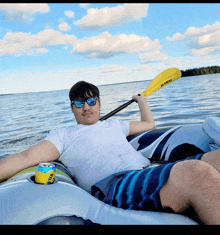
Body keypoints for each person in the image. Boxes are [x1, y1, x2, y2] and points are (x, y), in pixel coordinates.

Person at [1, 81, 220, 225]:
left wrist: (141, 101)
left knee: (216, 158)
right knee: (197, 173)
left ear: (99, 103)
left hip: (147, 172)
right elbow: (25, 157)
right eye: (79, 103)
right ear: (72, 108)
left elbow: (148, 124)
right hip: (114, 185)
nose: (86, 107)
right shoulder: (63, 135)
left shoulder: (115, 125)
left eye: (91, 101)